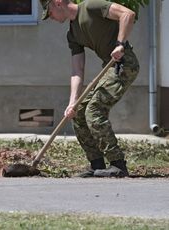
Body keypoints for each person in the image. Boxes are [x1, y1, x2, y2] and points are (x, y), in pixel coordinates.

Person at [40, 0, 139, 177]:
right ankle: (96, 164)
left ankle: (118, 165)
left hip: (124, 64)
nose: (51, 18)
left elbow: (128, 14)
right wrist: (72, 103)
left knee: (94, 110)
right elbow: (77, 70)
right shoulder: (72, 34)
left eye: (50, 13)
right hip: (109, 68)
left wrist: (120, 44)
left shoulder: (91, 7)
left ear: (57, 3)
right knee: (78, 111)